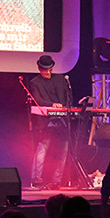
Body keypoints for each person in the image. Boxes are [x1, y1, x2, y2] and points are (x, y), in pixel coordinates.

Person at [29, 55, 71, 189]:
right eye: (44, 70)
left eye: (49, 70)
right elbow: (38, 100)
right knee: (43, 148)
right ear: (39, 69)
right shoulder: (35, 82)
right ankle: (36, 179)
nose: (47, 73)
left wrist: (65, 107)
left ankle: (56, 181)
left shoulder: (60, 79)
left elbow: (67, 97)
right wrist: (53, 105)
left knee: (63, 150)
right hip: (46, 121)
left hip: (62, 120)